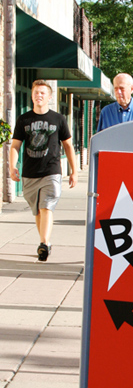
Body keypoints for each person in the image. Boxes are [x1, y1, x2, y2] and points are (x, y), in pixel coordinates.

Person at [9, 80, 78, 262]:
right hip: (29, 173)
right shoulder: (24, 119)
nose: (38, 95)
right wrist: (12, 166)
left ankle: (44, 243)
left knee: (46, 207)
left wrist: (74, 171)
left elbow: (69, 146)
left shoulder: (58, 119)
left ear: (49, 97)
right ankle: (45, 242)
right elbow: (15, 145)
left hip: (51, 171)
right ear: (32, 96)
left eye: (42, 93)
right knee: (37, 211)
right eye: (36, 93)